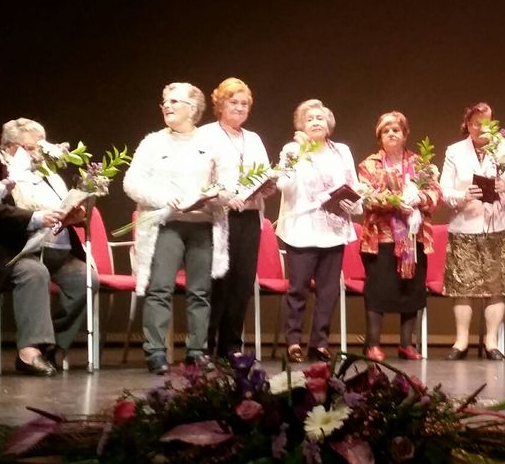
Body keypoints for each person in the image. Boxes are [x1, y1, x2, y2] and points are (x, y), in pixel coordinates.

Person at [124, 82, 228, 375]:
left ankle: (197, 351)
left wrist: (212, 195)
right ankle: (156, 352)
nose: (166, 106)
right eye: (164, 102)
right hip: (166, 224)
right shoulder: (153, 142)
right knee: (160, 288)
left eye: (173, 101)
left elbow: (228, 184)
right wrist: (162, 199)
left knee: (200, 291)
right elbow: (131, 183)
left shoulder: (211, 144)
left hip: (202, 225)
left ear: (192, 109)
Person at [0, 119, 89, 376]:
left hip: (57, 250)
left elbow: (65, 208)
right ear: (8, 147)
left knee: (86, 278)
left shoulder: (50, 176)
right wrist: (37, 218)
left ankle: (53, 345)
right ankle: (29, 352)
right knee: (34, 273)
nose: (37, 154)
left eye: (40, 148)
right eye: (30, 148)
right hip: (16, 251)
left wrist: (75, 216)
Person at [273, 99, 362, 363]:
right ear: (301, 125)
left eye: (320, 118)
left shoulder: (341, 151)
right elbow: (283, 185)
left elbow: (354, 187)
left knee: (328, 290)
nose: (315, 122)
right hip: (302, 229)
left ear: (328, 124)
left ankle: (320, 342)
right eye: (309, 119)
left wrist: (352, 202)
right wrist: (299, 152)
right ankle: (293, 341)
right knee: (298, 288)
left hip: (333, 230)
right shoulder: (292, 149)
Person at [438, 102, 505, 360]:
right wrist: (463, 195)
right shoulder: (455, 151)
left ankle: (491, 341)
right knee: (463, 286)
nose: (480, 128)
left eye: (486, 123)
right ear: (467, 125)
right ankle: (461, 341)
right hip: (466, 225)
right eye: (475, 123)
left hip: (499, 224)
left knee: (496, 286)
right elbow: (445, 190)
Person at [357, 111, 441, 361]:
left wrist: (419, 198)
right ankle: (373, 344)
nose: (392, 133)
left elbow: (436, 194)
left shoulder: (421, 163)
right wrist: (394, 203)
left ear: (405, 135)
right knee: (378, 291)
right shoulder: (369, 164)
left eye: (396, 129)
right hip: (380, 238)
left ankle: (407, 344)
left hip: (413, 238)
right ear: (380, 136)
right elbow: (367, 196)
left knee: (411, 291)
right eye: (386, 130)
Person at [199, 78, 273, 359]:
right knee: (219, 281)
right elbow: (201, 178)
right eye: (234, 102)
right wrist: (224, 196)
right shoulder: (206, 134)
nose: (240, 108)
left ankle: (231, 345)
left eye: (244, 104)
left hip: (250, 216)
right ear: (220, 104)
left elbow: (265, 173)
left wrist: (269, 184)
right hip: (219, 217)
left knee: (242, 282)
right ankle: (205, 346)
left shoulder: (253, 138)